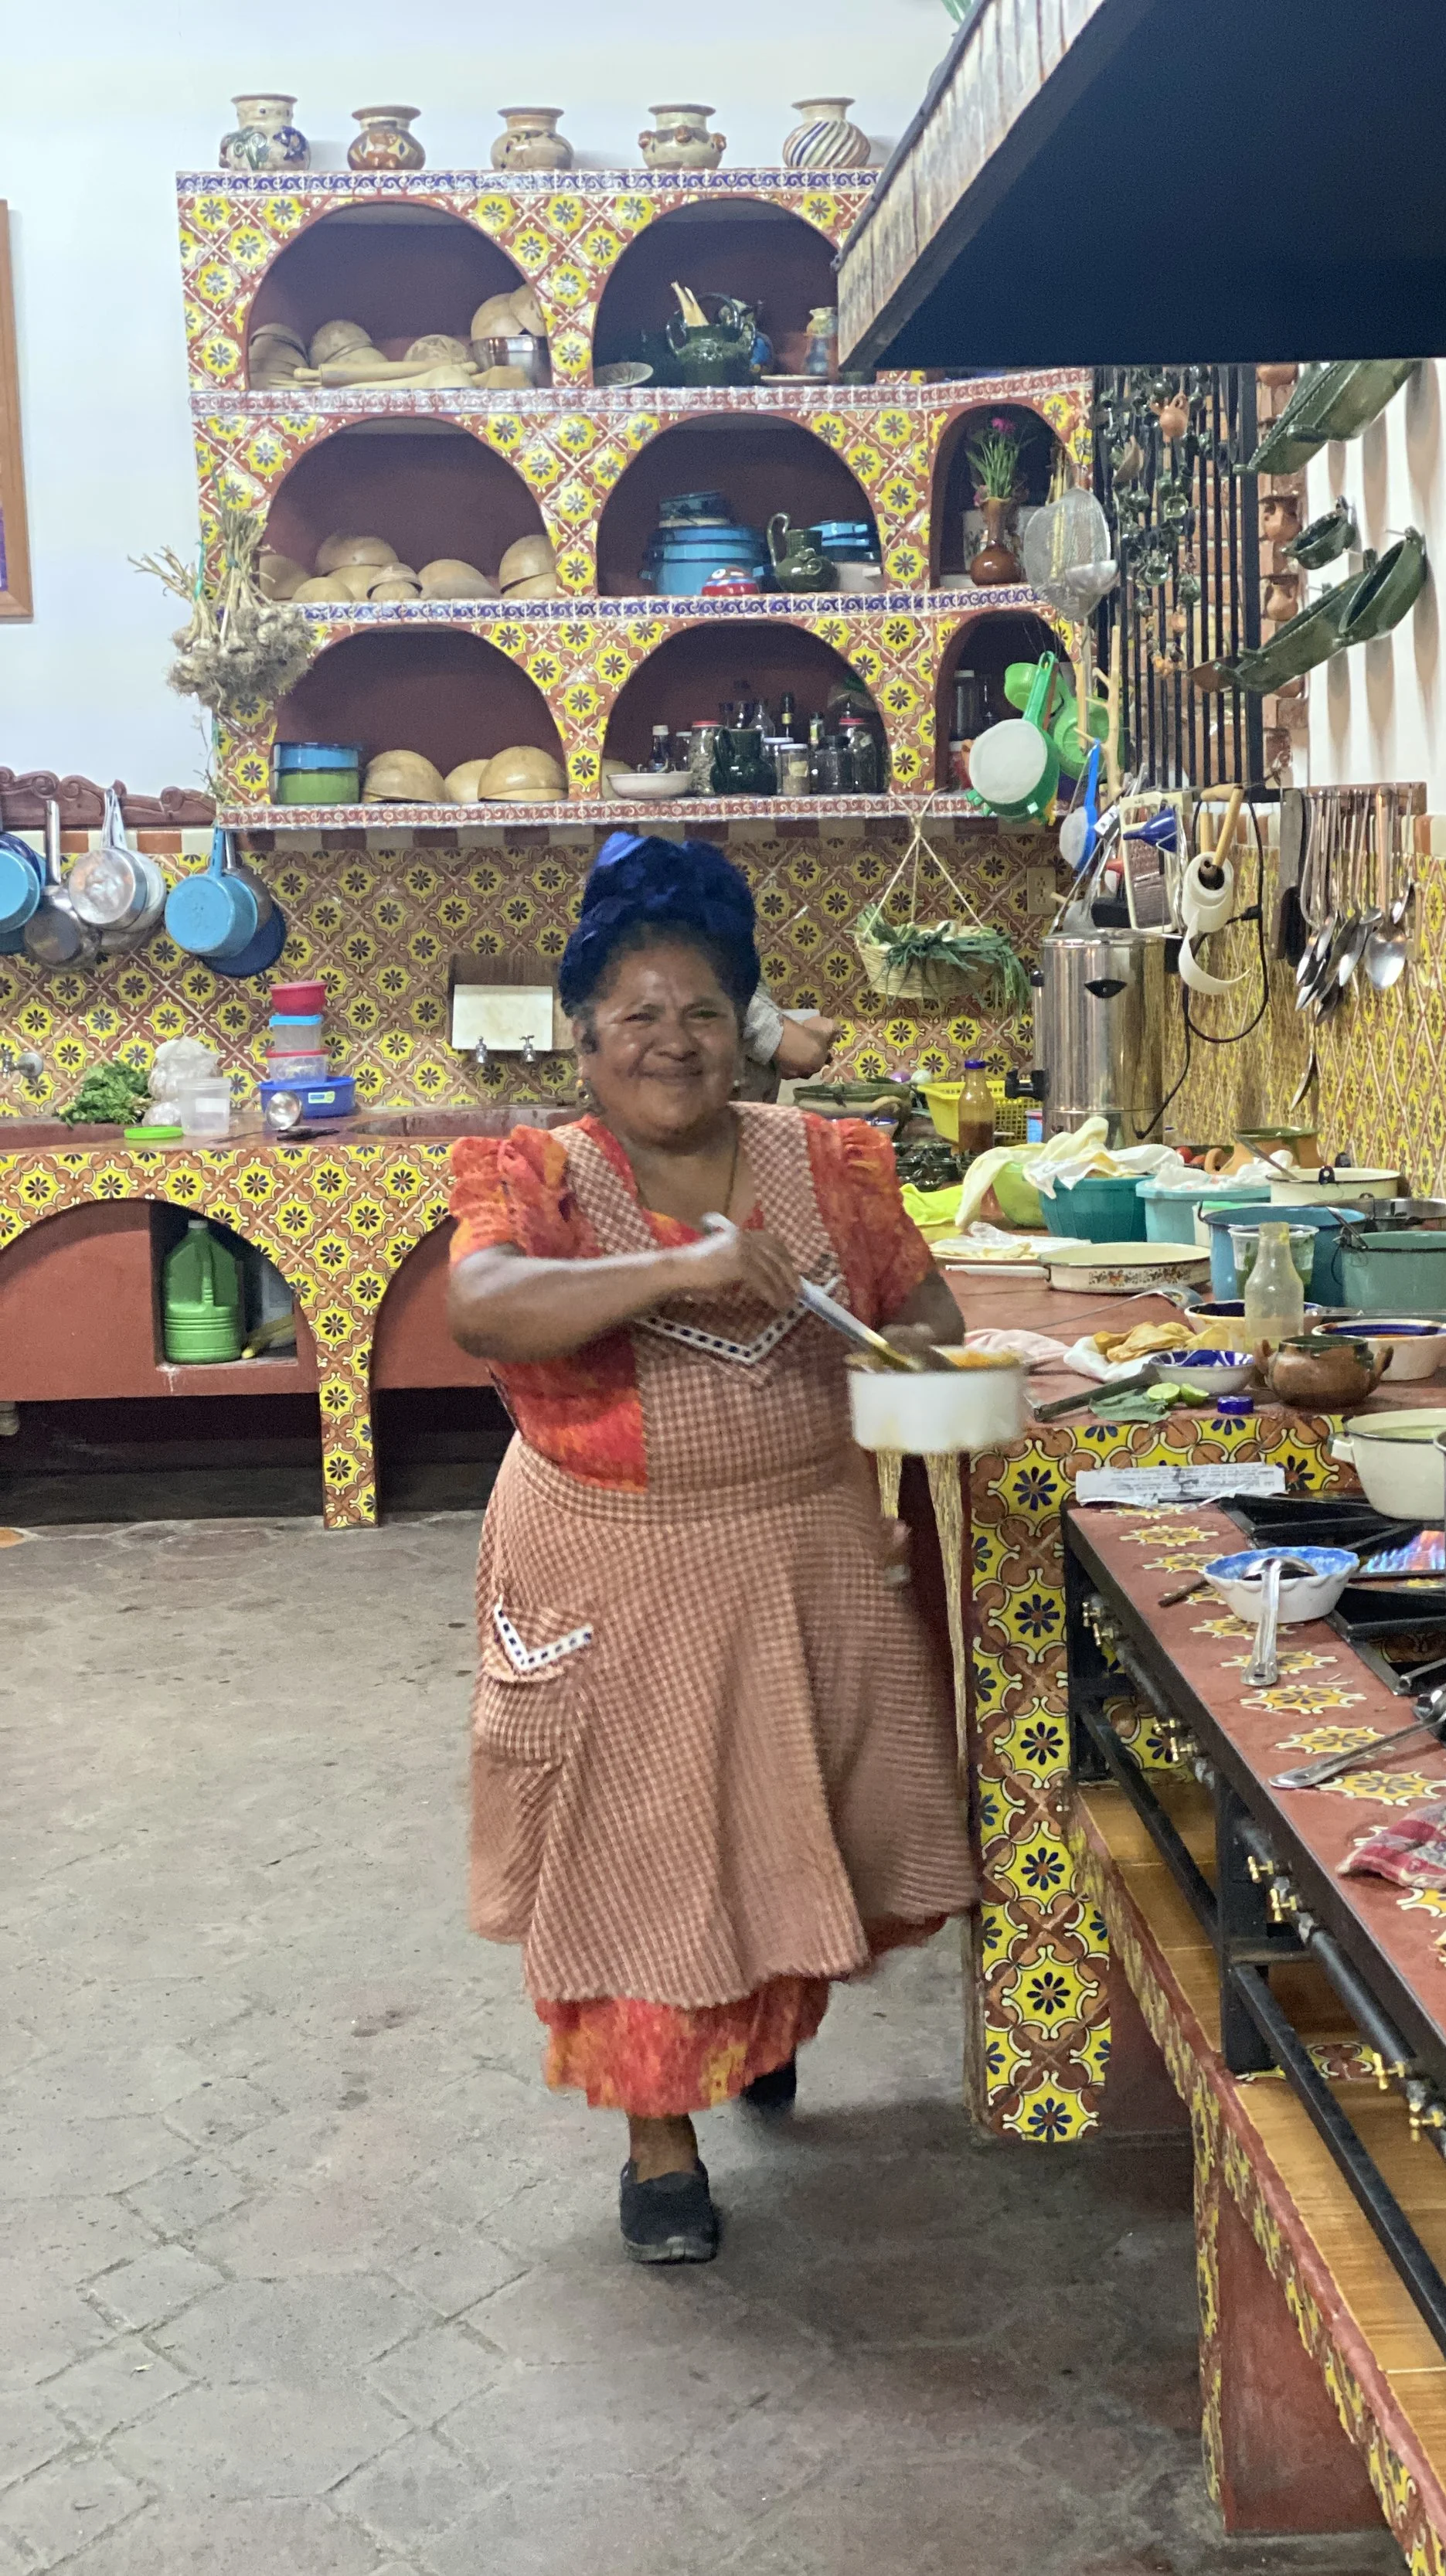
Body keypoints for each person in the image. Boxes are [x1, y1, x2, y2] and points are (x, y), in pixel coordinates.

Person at [446, 834, 976, 2263]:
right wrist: (682, 1264)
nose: (670, 1043)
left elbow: (927, 1316)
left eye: (702, 1011)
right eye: (637, 1015)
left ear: (743, 1024)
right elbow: (485, 1308)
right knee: (637, 1851)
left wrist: (907, 1356)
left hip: (799, 1559)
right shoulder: (537, 1173)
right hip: (611, 1571)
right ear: (583, 1034)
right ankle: (658, 2142)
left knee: (780, 1824)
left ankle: (755, 2025)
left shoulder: (831, 1160)